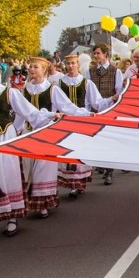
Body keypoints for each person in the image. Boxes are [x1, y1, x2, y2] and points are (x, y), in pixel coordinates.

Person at [0, 60, 55, 237]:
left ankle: (12, 216)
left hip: (4, 136)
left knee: (7, 172)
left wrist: (51, 115)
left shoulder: (9, 92)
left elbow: (29, 112)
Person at [53, 54, 104, 198]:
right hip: (65, 122)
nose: (70, 66)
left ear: (78, 65)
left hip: (82, 121)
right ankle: (72, 184)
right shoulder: (59, 84)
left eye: (73, 63)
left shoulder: (86, 83)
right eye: (68, 63)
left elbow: (97, 102)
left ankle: (78, 183)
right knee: (67, 151)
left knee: (79, 151)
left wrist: (110, 101)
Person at [17, 56, 62, 219]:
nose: (31, 69)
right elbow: (20, 113)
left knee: (43, 168)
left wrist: (85, 114)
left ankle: (43, 203)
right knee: (28, 166)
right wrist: (15, 130)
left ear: (44, 70)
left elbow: (67, 106)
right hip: (28, 132)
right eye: (30, 67)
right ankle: (32, 201)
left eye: (35, 67)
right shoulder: (25, 89)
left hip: (46, 133)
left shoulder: (52, 89)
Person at [87, 43, 124, 185]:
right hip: (95, 111)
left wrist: (114, 104)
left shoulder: (115, 71)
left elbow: (119, 91)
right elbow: (87, 93)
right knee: (97, 140)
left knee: (109, 141)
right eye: (94, 53)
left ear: (105, 54)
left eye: (98, 53)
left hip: (110, 110)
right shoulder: (90, 72)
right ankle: (101, 163)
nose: (95, 56)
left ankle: (109, 171)